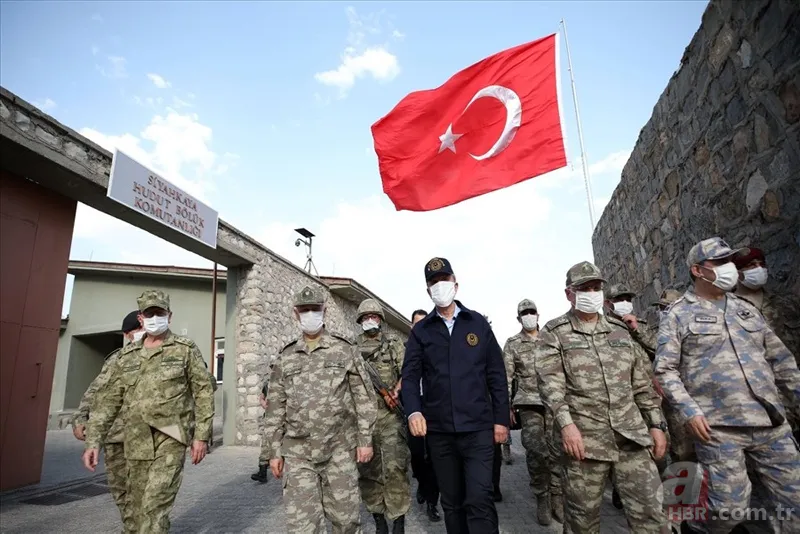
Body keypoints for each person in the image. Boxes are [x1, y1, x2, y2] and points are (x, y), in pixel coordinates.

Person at [654, 237, 800, 534]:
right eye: (720, 262)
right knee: (728, 510)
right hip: (718, 427)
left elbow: (781, 360)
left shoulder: (745, 309)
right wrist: (690, 412)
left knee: (795, 502)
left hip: (771, 421)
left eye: (731, 261)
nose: (729, 267)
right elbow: (665, 370)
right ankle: (695, 526)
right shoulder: (678, 314)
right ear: (697, 270)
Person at [535, 261, 668, 534]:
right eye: (584, 288)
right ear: (569, 293)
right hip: (585, 443)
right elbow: (550, 386)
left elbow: (641, 384)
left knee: (652, 517)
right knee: (582, 523)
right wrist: (567, 426)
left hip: (631, 438)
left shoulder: (619, 330)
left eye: (596, 287)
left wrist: (656, 424)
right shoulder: (554, 333)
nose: (591, 293)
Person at [82, 290, 215, 534]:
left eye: (160, 313)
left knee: (155, 507)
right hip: (136, 440)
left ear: (169, 316)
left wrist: (201, 436)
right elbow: (108, 401)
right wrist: (94, 441)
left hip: (171, 436)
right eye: (150, 314)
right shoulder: (127, 357)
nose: (155, 318)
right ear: (141, 319)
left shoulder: (185, 349)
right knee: (135, 510)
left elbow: (204, 392)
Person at [402, 257, 510, 534]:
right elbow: (411, 377)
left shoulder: (477, 324)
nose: (440, 286)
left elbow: (496, 375)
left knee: (479, 498)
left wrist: (501, 420)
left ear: (455, 284)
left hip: (478, 430)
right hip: (440, 433)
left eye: (444, 280)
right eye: (433, 283)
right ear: (428, 291)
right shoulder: (421, 331)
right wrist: (414, 411)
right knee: (452, 503)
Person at [263, 285, 377, 534]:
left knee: (346, 522)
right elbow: (274, 409)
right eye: (305, 309)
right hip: (298, 453)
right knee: (303, 526)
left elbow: (365, 399)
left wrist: (365, 439)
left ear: (324, 310)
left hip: (339, 449)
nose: (310, 314)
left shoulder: (345, 350)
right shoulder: (286, 356)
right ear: (296, 313)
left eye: (315, 309)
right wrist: (272, 451)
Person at [71, 310, 143, 528]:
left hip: (148, 436)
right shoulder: (116, 360)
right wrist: (80, 417)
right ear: (128, 334)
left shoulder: (166, 355)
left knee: (149, 495)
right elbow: (96, 390)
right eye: (139, 328)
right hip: (115, 437)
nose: (145, 331)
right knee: (122, 493)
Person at [355, 298, 410, 534]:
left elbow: (408, 371)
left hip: (390, 415)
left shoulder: (393, 344)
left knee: (395, 468)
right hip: (363, 419)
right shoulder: (352, 348)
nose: (370, 320)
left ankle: (398, 519)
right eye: (366, 317)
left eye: (374, 316)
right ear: (360, 321)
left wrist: (396, 390)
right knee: (368, 471)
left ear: (381, 320)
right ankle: (378, 517)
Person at [734, 246, 800, 436]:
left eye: (761, 264)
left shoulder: (785, 303)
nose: (759, 269)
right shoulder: (729, 311)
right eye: (751, 266)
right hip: (764, 397)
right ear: (737, 273)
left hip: (794, 386)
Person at [503, 298, 555, 526]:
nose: (529, 315)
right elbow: (506, 377)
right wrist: (505, 407)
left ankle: (558, 496)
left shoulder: (552, 338)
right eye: (524, 313)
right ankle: (542, 496)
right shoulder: (513, 343)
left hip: (555, 403)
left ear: (538, 314)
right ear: (518, 318)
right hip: (528, 403)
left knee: (558, 451)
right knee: (535, 450)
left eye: (532, 311)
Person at [406, 309, 442, 523]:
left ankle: (432, 502)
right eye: (416, 323)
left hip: (433, 409)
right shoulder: (403, 349)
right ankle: (421, 481)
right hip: (413, 409)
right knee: (418, 456)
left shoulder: (434, 348)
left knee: (435, 458)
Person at [252, 382, 270, 483]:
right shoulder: (268, 383)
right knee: (265, 445)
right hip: (270, 418)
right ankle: (262, 472)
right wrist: (263, 402)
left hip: (286, 419)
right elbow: (262, 397)